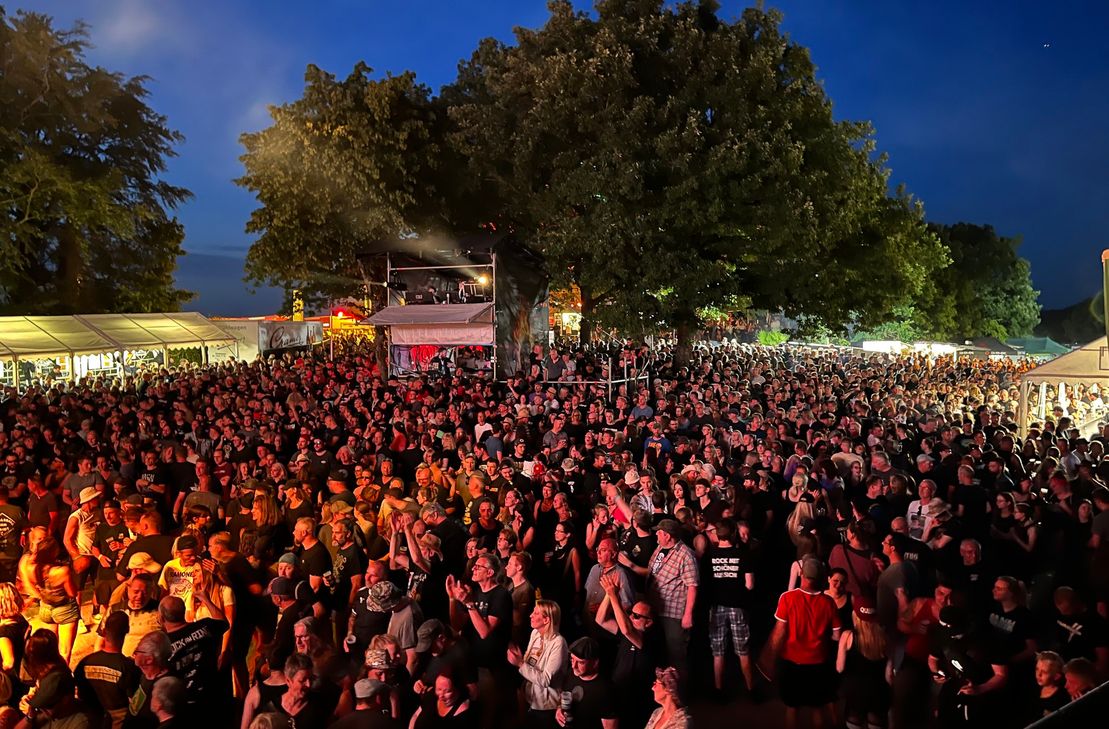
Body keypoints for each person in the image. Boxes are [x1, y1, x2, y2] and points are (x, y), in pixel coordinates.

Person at [763, 559, 842, 729]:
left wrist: (769, 659)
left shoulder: (787, 598)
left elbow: (779, 631)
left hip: (792, 663)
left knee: (792, 708)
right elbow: (837, 634)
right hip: (818, 662)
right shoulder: (828, 602)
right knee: (817, 709)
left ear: (801, 574)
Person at [644, 519, 698, 681]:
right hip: (656, 609)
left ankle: (680, 695)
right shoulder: (661, 548)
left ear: (667, 536)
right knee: (660, 652)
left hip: (673, 613)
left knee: (676, 656)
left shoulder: (686, 555)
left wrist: (688, 614)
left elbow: (693, 586)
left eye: (659, 532)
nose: (656, 534)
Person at [508, 600, 568, 728]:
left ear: (546, 620)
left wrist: (520, 663)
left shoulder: (558, 643)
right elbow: (529, 662)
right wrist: (519, 659)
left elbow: (545, 680)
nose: (531, 615)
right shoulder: (535, 633)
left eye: (535, 613)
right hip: (530, 700)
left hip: (546, 707)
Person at [75, 611, 139, 729]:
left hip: (89, 718)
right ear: (127, 631)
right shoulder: (128, 667)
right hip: (118, 721)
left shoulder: (84, 663)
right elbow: (135, 702)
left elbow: (79, 693)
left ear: (104, 632)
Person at [555, 637, 616, 729]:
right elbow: (563, 696)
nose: (573, 666)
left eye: (580, 662)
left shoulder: (606, 691)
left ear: (595, 663)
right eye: (572, 659)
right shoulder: (571, 673)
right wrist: (559, 709)